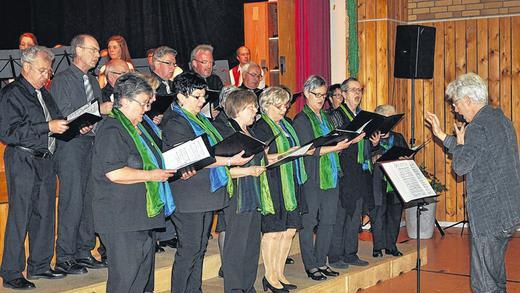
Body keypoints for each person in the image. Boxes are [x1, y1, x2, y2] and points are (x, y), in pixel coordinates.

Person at [425, 72, 520, 293]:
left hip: (489, 214)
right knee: (496, 276)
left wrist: (458, 144)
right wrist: (442, 136)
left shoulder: (477, 126)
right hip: (508, 211)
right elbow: (475, 153)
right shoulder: (501, 120)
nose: (455, 109)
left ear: (468, 100)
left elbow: (461, 166)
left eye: (456, 103)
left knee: (484, 283)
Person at [162, 72, 251, 293]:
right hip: (188, 195)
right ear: (181, 96)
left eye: (204, 96)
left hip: (204, 193)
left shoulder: (201, 119)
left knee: (200, 248)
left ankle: (195, 289)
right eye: (198, 97)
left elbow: (211, 150)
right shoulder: (174, 121)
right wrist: (230, 160)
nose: (203, 101)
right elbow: (194, 158)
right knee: (189, 249)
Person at [91, 72, 176, 293]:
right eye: (144, 103)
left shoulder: (140, 128)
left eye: (149, 104)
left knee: (142, 282)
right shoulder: (111, 129)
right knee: (125, 281)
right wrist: (152, 175)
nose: (147, 109)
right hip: (121, 219)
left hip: (141, 216)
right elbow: (115, 173)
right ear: (125, 101)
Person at [0, 46, 67, 290]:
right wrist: (47, 126)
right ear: (25, 67)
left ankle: (39, 265)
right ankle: (10, 272)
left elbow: (56, 119)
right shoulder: (11, 94)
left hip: (45, 158)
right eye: (42, 70)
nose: (46, 76)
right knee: (21, 215)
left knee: (45, 213)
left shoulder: (43, 93)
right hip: (23, 159)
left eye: (48, 71)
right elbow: (9, 132)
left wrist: (76, 124)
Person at [50, 34, 111, 274]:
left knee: (89, 200)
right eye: (94, 50)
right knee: (72, 200)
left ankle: (84, 250)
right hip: (71, 145)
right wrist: (96, 111)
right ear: (78, 50)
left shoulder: (93, 81)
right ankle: (65, 255)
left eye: (98, 51)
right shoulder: (63, 79)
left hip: (91, 143)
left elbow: (91, 114)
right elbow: (63, 113)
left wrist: (97, 116)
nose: (98, 55)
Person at [293, 76, 360, 281]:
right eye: (317, 95)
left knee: (329, 221)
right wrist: (336, 147)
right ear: (306, 94)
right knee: (309, 221)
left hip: (331, 175)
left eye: (324, 95)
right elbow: (308, 149)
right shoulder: (301, 119)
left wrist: (348, 141)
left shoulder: (327, 117)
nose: (321, 99)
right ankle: (311, 265)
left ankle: (322, 261)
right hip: (312, 177)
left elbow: (333, 140)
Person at [253, 87, 308, 292]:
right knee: (274, 232)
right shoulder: (260, 128)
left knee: (289, 231)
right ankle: (269, 276)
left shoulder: (286, 124)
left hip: (290, 182)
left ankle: (279, 272)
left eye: (285, 105)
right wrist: (287, 154)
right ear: (266, 106)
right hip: (273, 182)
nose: (284, 109)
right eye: (279, 106)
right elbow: (260, 158)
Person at [212, 90, 266, 293]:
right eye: (251, 107)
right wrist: (249, 170)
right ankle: (234, 288)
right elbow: (222, 169)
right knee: (236, 245)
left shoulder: (251, 132)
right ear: (239, 109)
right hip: (237, 196)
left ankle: (247, 285)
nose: (255, 111)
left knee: (252, 244)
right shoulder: (228, 133)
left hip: (254, 193)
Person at [328, 77, 371, 269]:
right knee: (341, 214)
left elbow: (365, 143)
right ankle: (336, 255)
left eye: (359, 90)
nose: (357, 93)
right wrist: (352, 140)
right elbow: (333, 143)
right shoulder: (336, 116)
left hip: (359, 170)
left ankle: (351, 252)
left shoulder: (362, 115)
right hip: (343, 170)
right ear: (343, 94)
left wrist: (373, 142)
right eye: (353, 90)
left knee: (355, 213)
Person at [149, 45, 180, 250]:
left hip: (169, 139)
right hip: (156, 140)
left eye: (174, 64)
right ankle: (158, 235)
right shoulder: (150, 85)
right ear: (157, 64)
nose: (172, 68)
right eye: (169, 64)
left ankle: (168, 233)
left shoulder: (171, 86)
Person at [370, 104, 406, 258]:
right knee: (378, 213)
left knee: (394, 214)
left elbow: (406, 154)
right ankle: (377, 247)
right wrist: (374, 148)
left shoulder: (398, 137)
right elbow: (367, 157)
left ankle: (391, 245)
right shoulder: (370, 137)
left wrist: (407, 157)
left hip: (395, 182)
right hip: (378, 181)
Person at [190, 44, 223, 118]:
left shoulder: (215, 80)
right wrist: (207, 114)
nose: (209, 66)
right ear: (194, 63)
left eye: (211, 62)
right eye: (205, 62)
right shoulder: (188, 81)